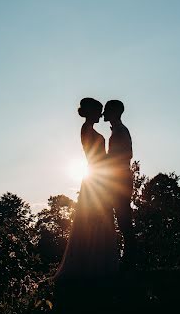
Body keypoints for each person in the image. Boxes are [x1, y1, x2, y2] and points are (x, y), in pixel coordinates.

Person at [55, 98, 118, 281]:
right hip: (96, 179)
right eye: (98, 111)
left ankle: (96, 261)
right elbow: (97, 157)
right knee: (96, 218)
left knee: (100, 218)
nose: (101, 114)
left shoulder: (89, 130)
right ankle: (93, 264)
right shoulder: (88, 130)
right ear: (91, 112)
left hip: (97, 177)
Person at [103, 99, 136, 266]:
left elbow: (128, 154)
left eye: (107, 110)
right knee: (121, 215)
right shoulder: (117, 130)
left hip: (121, 178)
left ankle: (131, 255)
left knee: (123, 216)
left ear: (115, 112)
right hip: (117, 178)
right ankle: (129, 254)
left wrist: (109, 158)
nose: (104, 113)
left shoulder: (121, 131)